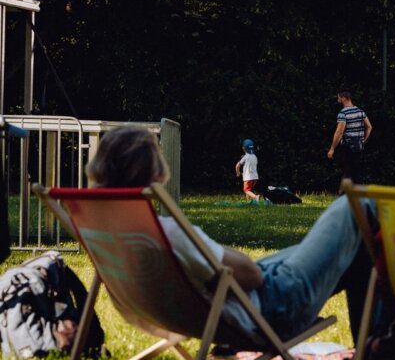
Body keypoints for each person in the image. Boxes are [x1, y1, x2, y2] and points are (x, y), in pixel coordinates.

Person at [87, 125, 372, 340]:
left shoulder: (107, 236)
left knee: (357, 251)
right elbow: (251, 275)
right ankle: (378, 356)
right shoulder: (166, 235)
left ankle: (371, 358)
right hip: (271, 307)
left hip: (214, 312)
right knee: (354, 206)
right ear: (155, 170)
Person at [328, 89, 372, 186]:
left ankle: (345, 196)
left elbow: (339, 132)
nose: (337, 100)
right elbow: (369, 127)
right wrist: (363, 140)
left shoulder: (343, 113)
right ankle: (359, 195)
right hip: (358, 146)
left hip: (347, 147)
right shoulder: (360, 111)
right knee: (357, 172)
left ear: (343, 98)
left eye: (338, 98)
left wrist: (332, 148)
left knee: (347, 172)